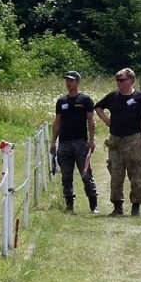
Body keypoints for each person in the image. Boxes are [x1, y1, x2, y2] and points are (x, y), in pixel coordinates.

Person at [94, 68, 141, 216]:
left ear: (131, 80)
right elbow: (98, 107)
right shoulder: (113, 96)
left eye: (122, 80)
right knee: (115, 174)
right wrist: (107, 120)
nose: (119, 83)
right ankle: (117, 207)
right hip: (115, 141)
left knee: (137, 175)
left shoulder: (140, 97)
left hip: (134, 141)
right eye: (117, 80)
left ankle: (136, 207)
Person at [50, 71, 98, 213]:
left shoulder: (85, 100)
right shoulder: (61, 101)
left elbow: (91, 121)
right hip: (64, 143)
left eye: (71, 80)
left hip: (80, 142)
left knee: (86, 174)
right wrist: (53, 142)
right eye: (67, 80)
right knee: (66, 176)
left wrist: (91, 140)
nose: (68, 83)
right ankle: (69, 204)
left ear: (77, 82)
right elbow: (57, 122)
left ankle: (93, 205)